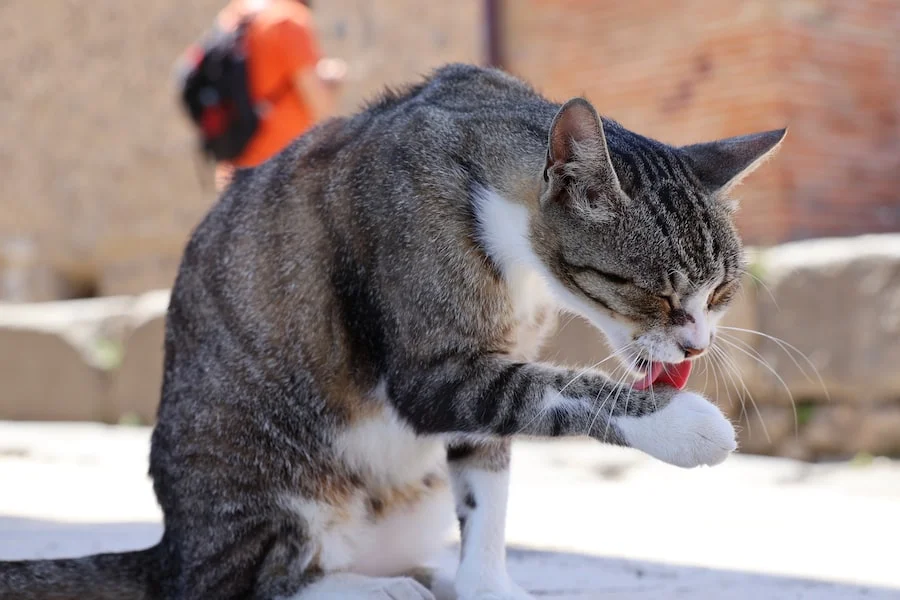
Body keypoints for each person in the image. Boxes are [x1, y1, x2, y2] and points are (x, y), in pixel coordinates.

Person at [208, 0, 346, 189]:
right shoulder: (289, 21)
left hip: (233, 177)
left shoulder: (236, 13)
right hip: (277, 175)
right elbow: (321, 108)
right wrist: (330, 83)